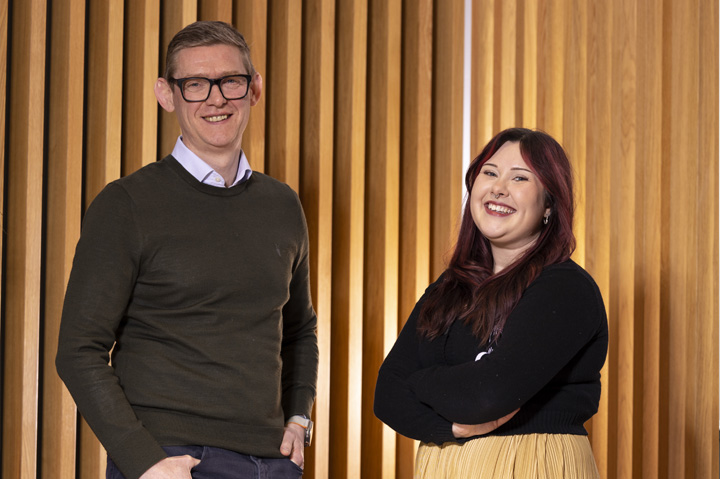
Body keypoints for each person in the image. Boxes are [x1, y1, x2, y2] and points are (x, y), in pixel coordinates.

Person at [56, 21, 318, 479]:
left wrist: (299, 417)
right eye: (195, 85)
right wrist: (144, 460)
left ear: (253, 89)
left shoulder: (282, 205)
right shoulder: (127, 205)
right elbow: (78, 350)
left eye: (230, 81)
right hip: (174, 460)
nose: (216, 99)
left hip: (272, 462)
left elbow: (300, 330)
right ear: (166, 94)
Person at [374, 128, 608, 478]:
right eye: (490, 172)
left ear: (549, 204)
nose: (499, 187)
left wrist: (420, 382)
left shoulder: (566, 288)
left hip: (531, 463)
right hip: (443, 464)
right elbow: (386, 394)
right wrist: (453, 427)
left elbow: (487, 395)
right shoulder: (449, 288)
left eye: (520, 177)